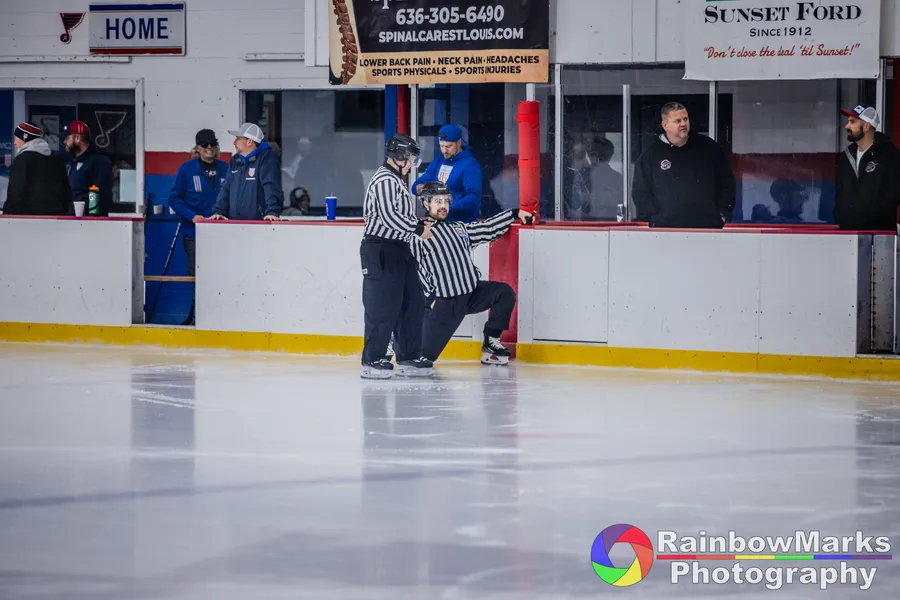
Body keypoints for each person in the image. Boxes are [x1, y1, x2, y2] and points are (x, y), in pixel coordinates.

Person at [411, 182, 534, 366]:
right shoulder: (418, 235)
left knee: (504, 293)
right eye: (438, 201)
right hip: (446, 302)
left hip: (472, 294)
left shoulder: (459, 229)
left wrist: (515, 213)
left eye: (446, 201)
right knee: (423, 358)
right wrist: (429, 297)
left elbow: (488, 229)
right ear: (426, 204)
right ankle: (392, 342)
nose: (443, 206)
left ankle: (490, 342)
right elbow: (412, 270)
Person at [360, 134, 435, 380]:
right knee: (382, 305)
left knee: (413, 301)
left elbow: (399, 216)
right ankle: (372, 359)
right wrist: (417, 228)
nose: (413, 163)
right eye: (411, 158)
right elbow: (388, 216)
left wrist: (417, 223)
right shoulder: (384, 179)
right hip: (380, 248)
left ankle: (408, 355)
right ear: (400, 156)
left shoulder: (396, 180)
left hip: (401, 248)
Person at [631, 102, 735, 228]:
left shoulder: (708, 147)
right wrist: (653, 219)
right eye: (677, 121)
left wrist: (722, 214)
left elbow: (726, 182)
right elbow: (641, 191)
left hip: (707, 227)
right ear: (665, 125)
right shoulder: (651, 154)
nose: (683, 124)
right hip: (666, 229)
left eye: (685, 119)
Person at [168, 128, 229, 325]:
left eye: (212, 144)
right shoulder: (186, 170)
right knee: (198, 277)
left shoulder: (226, 169)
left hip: (221, 234)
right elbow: (174, 199)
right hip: (194, 234)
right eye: (204, 144)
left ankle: (219, 317)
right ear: (197, 148)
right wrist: (192, 216)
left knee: (221, 277)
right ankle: (197, 317)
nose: (209, 147)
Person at [834, 105, 900, 232]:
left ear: (866, 126)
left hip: (879, 235)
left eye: (852, 122)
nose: (847, 126)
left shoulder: (889, 155)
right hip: (848, 234)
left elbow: (894, 194)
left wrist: (872, 217)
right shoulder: (845, 156)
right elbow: (840, 193)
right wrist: (841, 216)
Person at [210, 122, 283, 221]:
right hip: (235, 223)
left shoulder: (267, 158)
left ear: (249, 141)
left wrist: (272, 212)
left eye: (238, 139)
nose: (234, 142)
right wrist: (218, 211)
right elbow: (226, 188)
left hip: (259, 223)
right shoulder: (235, 160)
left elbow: (271, 186)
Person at [411, 124, 482, 223]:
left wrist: (445, 207)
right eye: (441, 146)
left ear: (459, 142)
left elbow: (473, 200)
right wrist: (427, 189)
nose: (444, 151)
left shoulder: (470, 165)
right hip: (437, 223)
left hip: (461, 224)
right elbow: (415, 187)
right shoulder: (437, 162)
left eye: (448, 146)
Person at [3, 122, 71, 216]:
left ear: (24, 138)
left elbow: (16, 193)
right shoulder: (56, 161)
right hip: (57, 216)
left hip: (30, 218)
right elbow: (66, 193)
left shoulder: (21, 161)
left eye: (16, 138)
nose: (14, 142)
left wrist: (7, 215)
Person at [64, 120, 114, 216]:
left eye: (67, 138)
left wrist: (90, 216)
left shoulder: (99, 161)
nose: (65, 141)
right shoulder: (72, 162)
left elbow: (101, 193)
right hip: (72, 218)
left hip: (90, 220)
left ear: (77, 138)